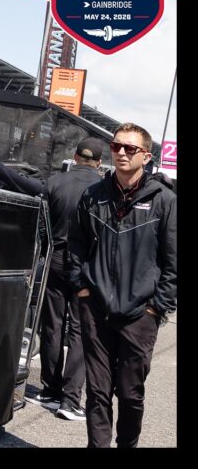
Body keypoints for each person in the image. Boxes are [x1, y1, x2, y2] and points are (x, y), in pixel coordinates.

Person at [68, 123, 176, 447]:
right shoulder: (93, 196)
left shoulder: (164, 202)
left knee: (130, 395)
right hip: (97, 310)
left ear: (146, 155)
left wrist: (155, 308)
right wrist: (82, 290)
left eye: (130, 149)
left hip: (140, 316)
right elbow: (75, 247)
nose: (122, 153)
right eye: (117, 147)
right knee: (98, 393)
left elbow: (173, 263)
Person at [27, 138, 104, 421]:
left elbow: (40, 224)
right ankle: (71, 400)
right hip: (87, 264)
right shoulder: (101, 189)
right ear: (98, 162)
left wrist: (47, 248)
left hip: (55, 258)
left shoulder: (55, 182)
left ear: (75, 156)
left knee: (52, 325)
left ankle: (50, 389)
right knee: (82, 331)